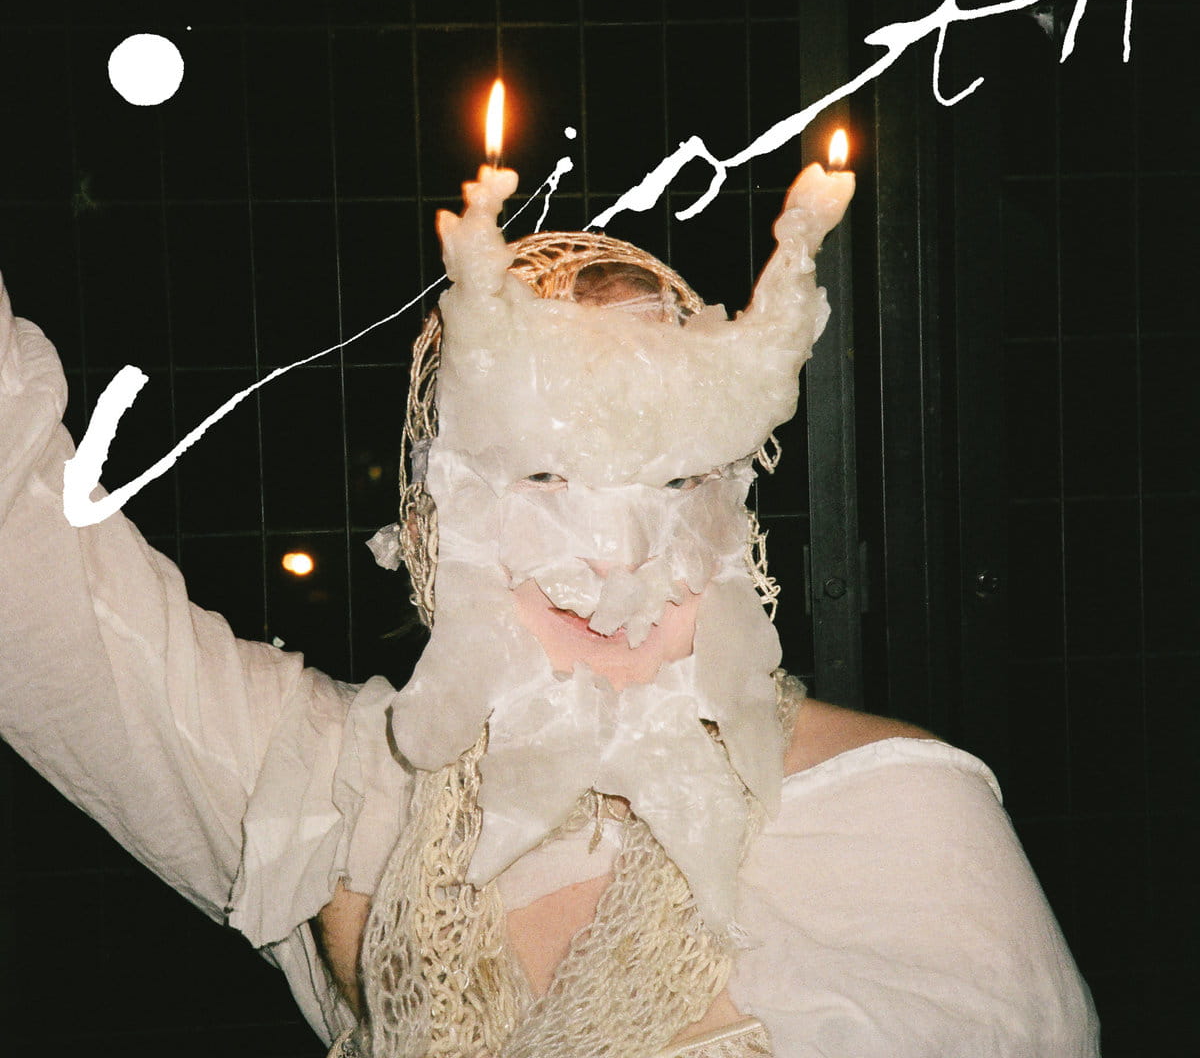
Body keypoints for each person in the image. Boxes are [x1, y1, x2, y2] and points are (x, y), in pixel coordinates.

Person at [0, 163, 1099, 1057]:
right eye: (541, 478)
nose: (620, 557)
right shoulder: (342, 798)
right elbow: (32, 564)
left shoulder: (898, 819)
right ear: (432, 521)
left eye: (675, 478)